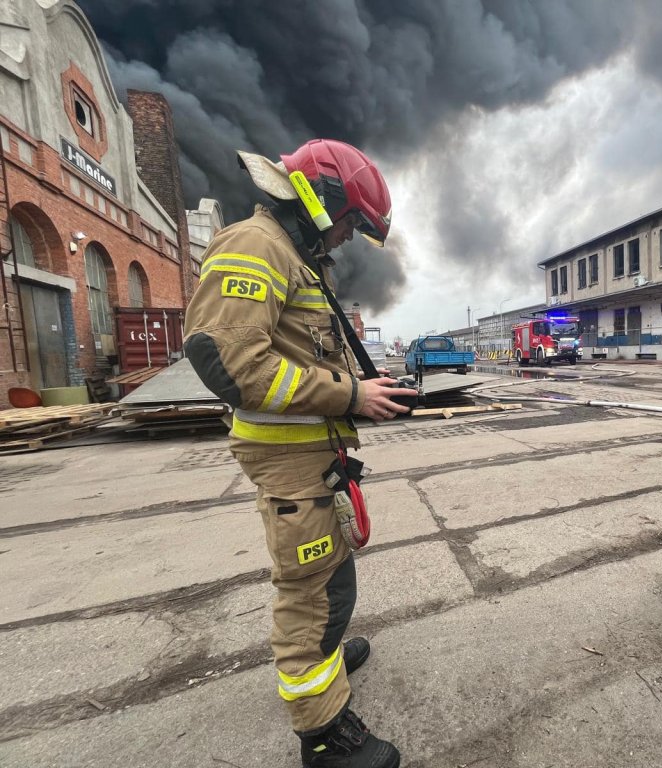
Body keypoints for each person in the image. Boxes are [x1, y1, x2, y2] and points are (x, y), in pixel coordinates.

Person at [183, 139, 417, 768]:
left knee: (333, 578)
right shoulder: (254, 246)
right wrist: (350, 395)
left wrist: (362, 392)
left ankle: (329, 657)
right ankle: (325, 736)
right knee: (311, 593)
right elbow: (225, 358)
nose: (344, 238)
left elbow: (296, 355)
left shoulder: (291, 254)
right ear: (324, 200)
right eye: (348, 224)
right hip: (290, 463)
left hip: (312, 457)